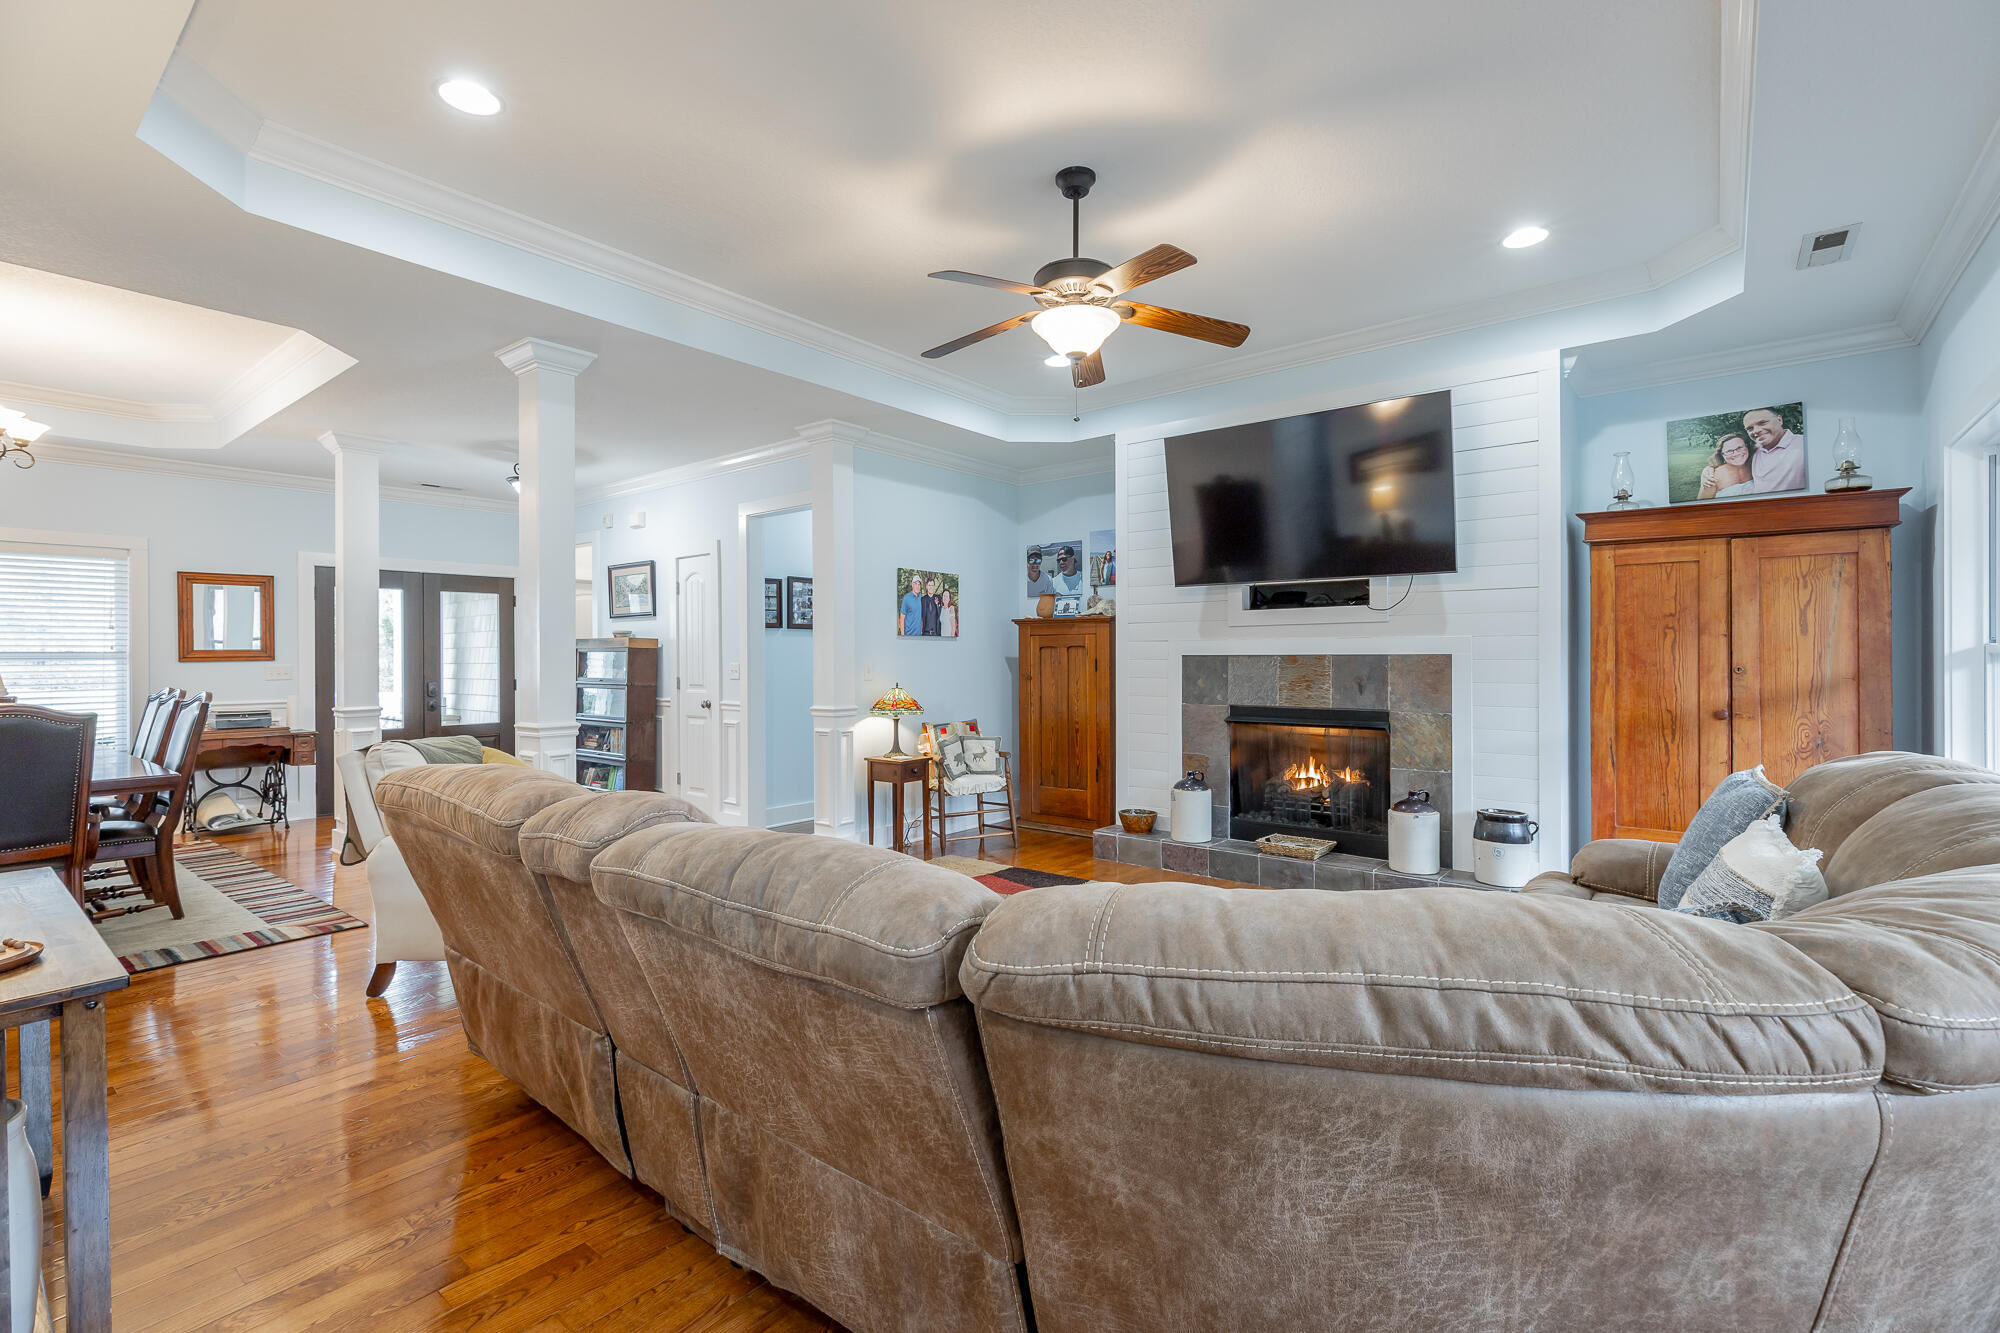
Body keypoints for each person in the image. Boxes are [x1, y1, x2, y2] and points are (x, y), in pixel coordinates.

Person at [1743, 407, 1807, 494]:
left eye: (1762, 423)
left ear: (1779, 420)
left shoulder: (1804, 443)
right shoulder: (1751, 452)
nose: (1756, 431)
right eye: (1750, 428)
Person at [1696, 433, 1756, 500]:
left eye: (1740, 448)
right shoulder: (1713, 476)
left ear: (1747, 447)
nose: (1736, 453)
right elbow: (1702, 504)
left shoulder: (1756, 465)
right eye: (1729, 451)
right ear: (1722, 455)